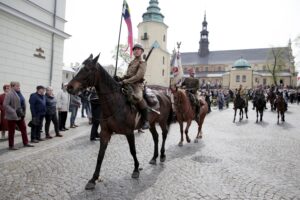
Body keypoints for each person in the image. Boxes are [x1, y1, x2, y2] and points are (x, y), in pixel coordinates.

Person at [117, 43, 149, 129]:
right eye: (135, 49)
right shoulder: (131, 62)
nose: (136, 51)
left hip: (137, 85)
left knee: (138, 97)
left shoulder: (142, 62)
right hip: (128, 83)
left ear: (142, 51)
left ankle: (146, 120)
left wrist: (125, 81)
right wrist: (120, 78)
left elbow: (138, 76)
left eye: (138, 49)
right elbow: (128, 75)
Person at [3, 81, 34, 150]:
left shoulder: (19, 93)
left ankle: (25, 142)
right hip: (12, 116)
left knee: (23, 129)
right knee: (11, 131)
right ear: (12, 86)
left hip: (20, 115)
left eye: (19, 86)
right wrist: (13, 111)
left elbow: (22, 102)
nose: (18, 87)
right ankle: (11, 146)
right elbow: (5, 105)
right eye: (17, 86)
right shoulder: (9, 94)